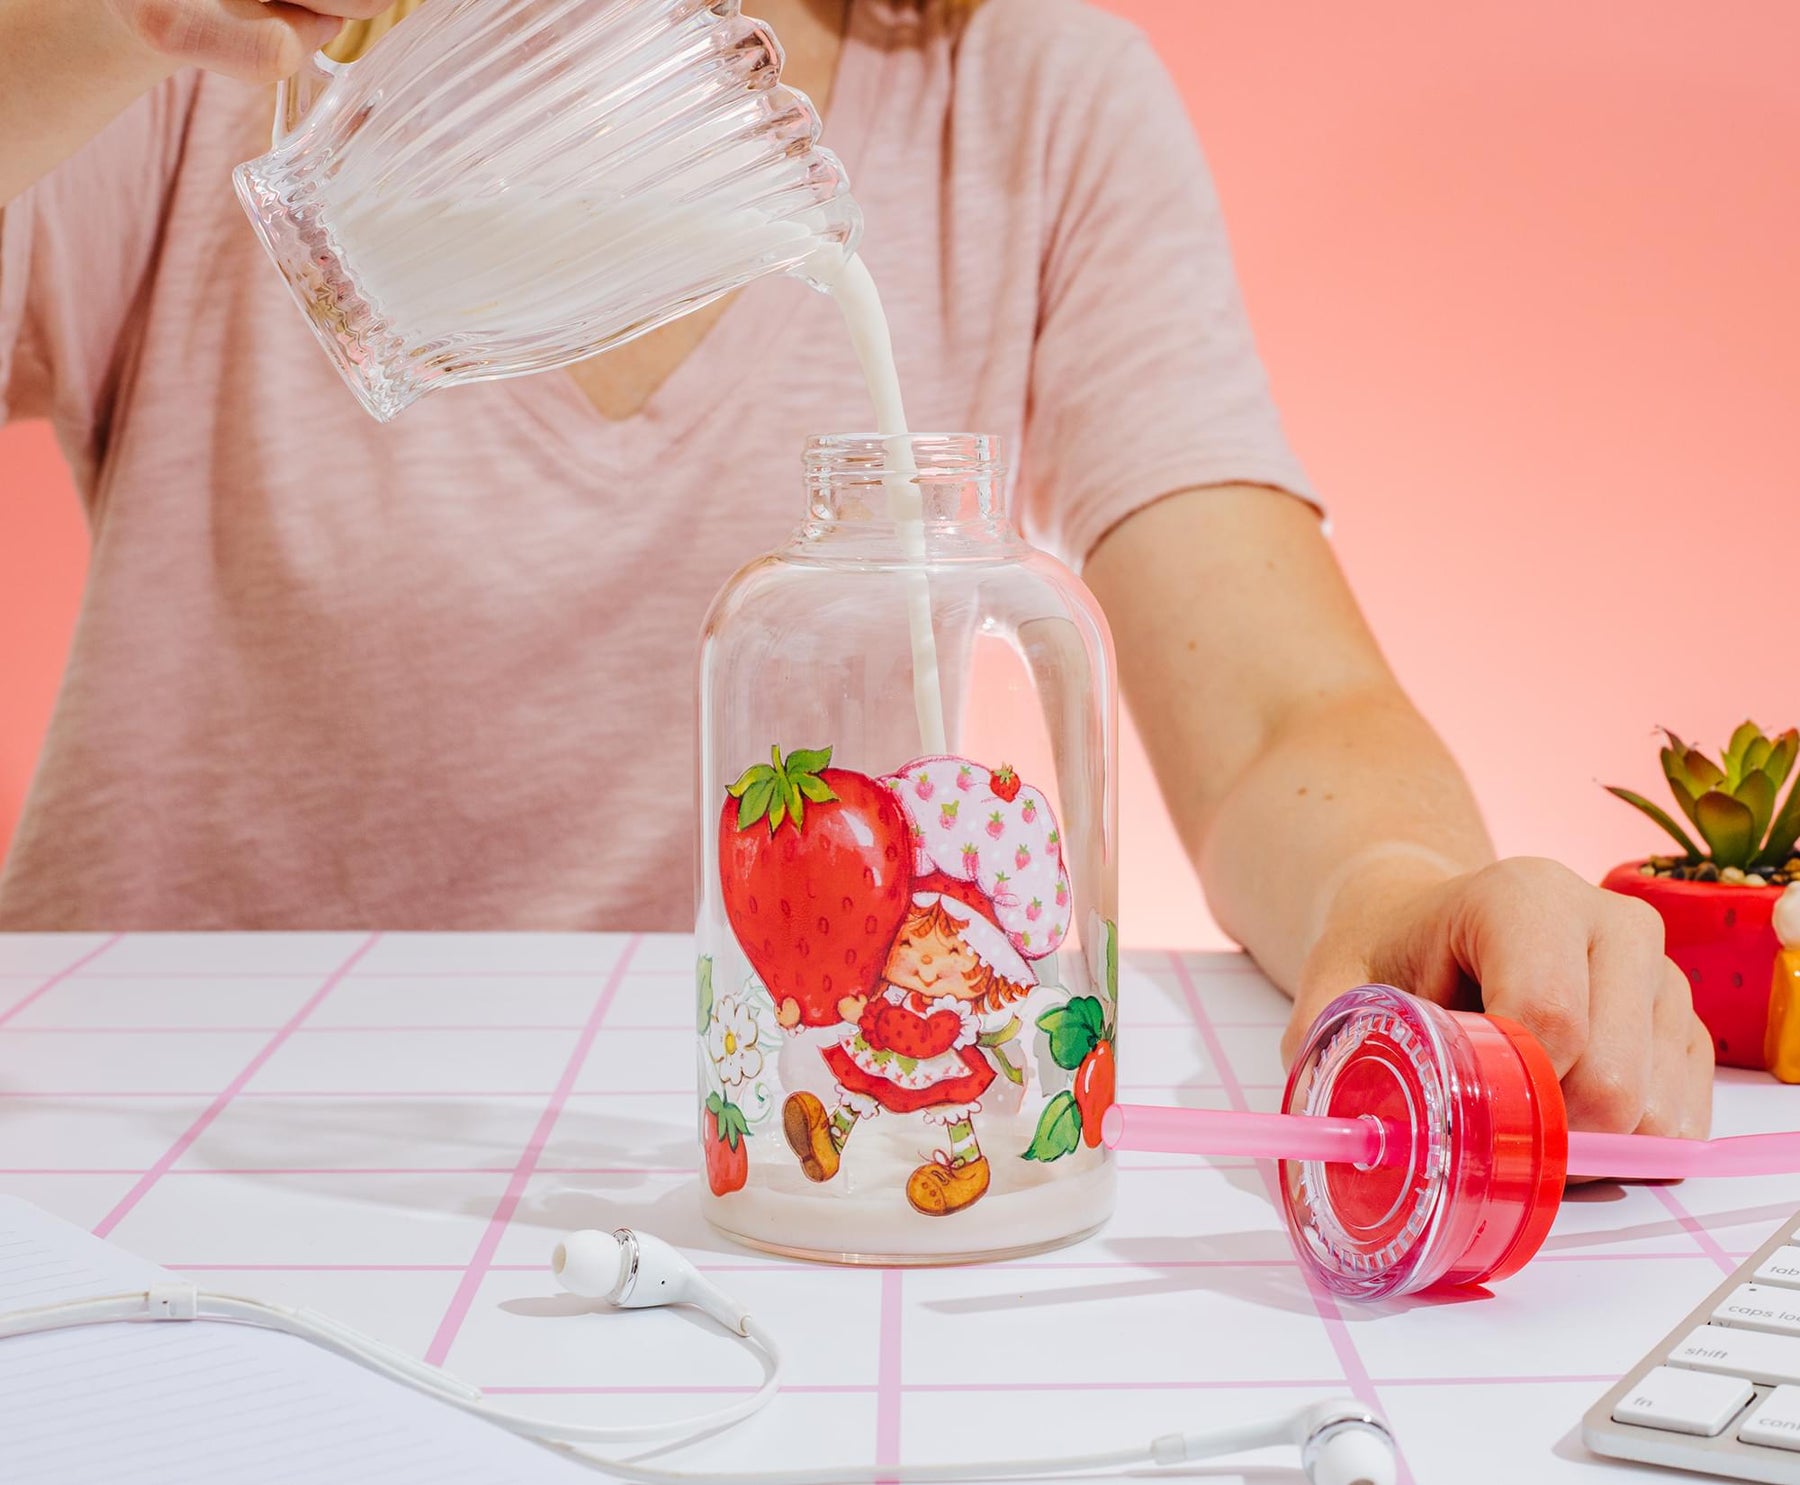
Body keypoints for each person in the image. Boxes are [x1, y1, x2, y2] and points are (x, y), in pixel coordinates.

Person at [0, 0, 1711, 1143]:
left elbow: (1277, 709)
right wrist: (82, 27)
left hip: (743, 1167)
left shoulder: (1022, 100)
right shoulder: (228, 66)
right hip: (135, 1139)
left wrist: (1400, 892)